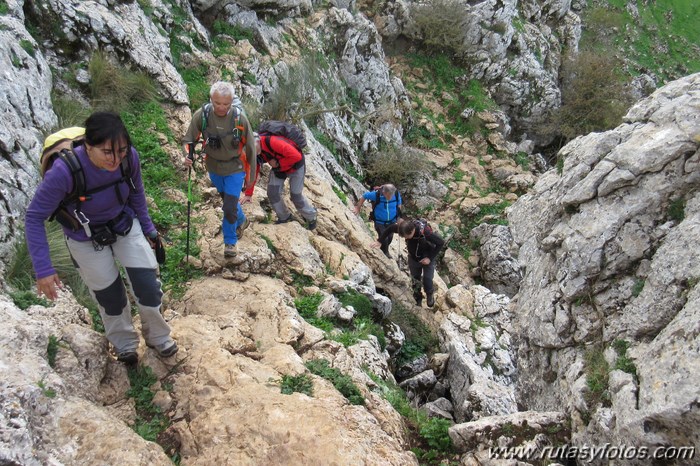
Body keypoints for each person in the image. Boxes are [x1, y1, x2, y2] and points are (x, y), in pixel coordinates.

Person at [25, 111, 178, 365]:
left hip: (123, 223)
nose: (116, 159)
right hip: (84, 236)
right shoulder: (64, 172)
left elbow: (137, 193)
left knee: (148, 285)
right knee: (110, 296)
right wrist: (43, 269)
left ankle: (159, 337)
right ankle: (125, 345)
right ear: (88, 147)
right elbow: (33, 217)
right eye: (107, 152)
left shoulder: (129, 159)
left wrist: (150, 230)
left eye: (121, 150)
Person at [182, 81, 255, 258]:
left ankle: (230, 242)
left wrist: (250, 180)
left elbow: (251, 149)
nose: (221, 107)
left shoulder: (240, 119)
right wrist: (187, 155)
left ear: (231, 102)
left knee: (228, 206)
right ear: (211, 99)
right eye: (217, 103)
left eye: (226, 104)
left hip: (235, 168)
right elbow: (189, 139)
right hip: (214, 167)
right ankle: (242, 220)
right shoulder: (203, 115)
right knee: (228, 202)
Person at [254, 130, 317, 229]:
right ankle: (285, 217)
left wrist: (278, 163)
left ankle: (311, 216)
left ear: (257, 142)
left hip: (295, 166)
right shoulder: (257, 151)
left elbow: (296, 156)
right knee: (272, 193)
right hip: (279, 168)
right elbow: (255, 165)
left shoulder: (273, 142)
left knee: (296, 195)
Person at [376, 218, 444, 307]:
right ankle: (417, 298)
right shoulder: (404, 228)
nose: (406, 238)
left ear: (412, 230)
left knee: (427, 279)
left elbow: (440, 243)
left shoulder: (425, 232)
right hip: (413, 258)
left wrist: (429, 258)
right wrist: (379, 241)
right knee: (415, 280)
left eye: (407, 236)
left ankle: (429, 294)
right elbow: (390, 229)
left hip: (427, 257)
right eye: (404, 237)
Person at [354, 184, 402, 257]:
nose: (391, 197)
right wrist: (358, 208)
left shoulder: (395, 193)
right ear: (384, 192)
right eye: (389, 195)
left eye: (392, 195)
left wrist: (398, 216)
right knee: (384, 239)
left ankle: (384, 249)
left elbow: (399, 204)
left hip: (392, 221)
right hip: (380, 222)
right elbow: (365, 196)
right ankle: (385, 254)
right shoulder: (376, 195)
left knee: (390, 238)